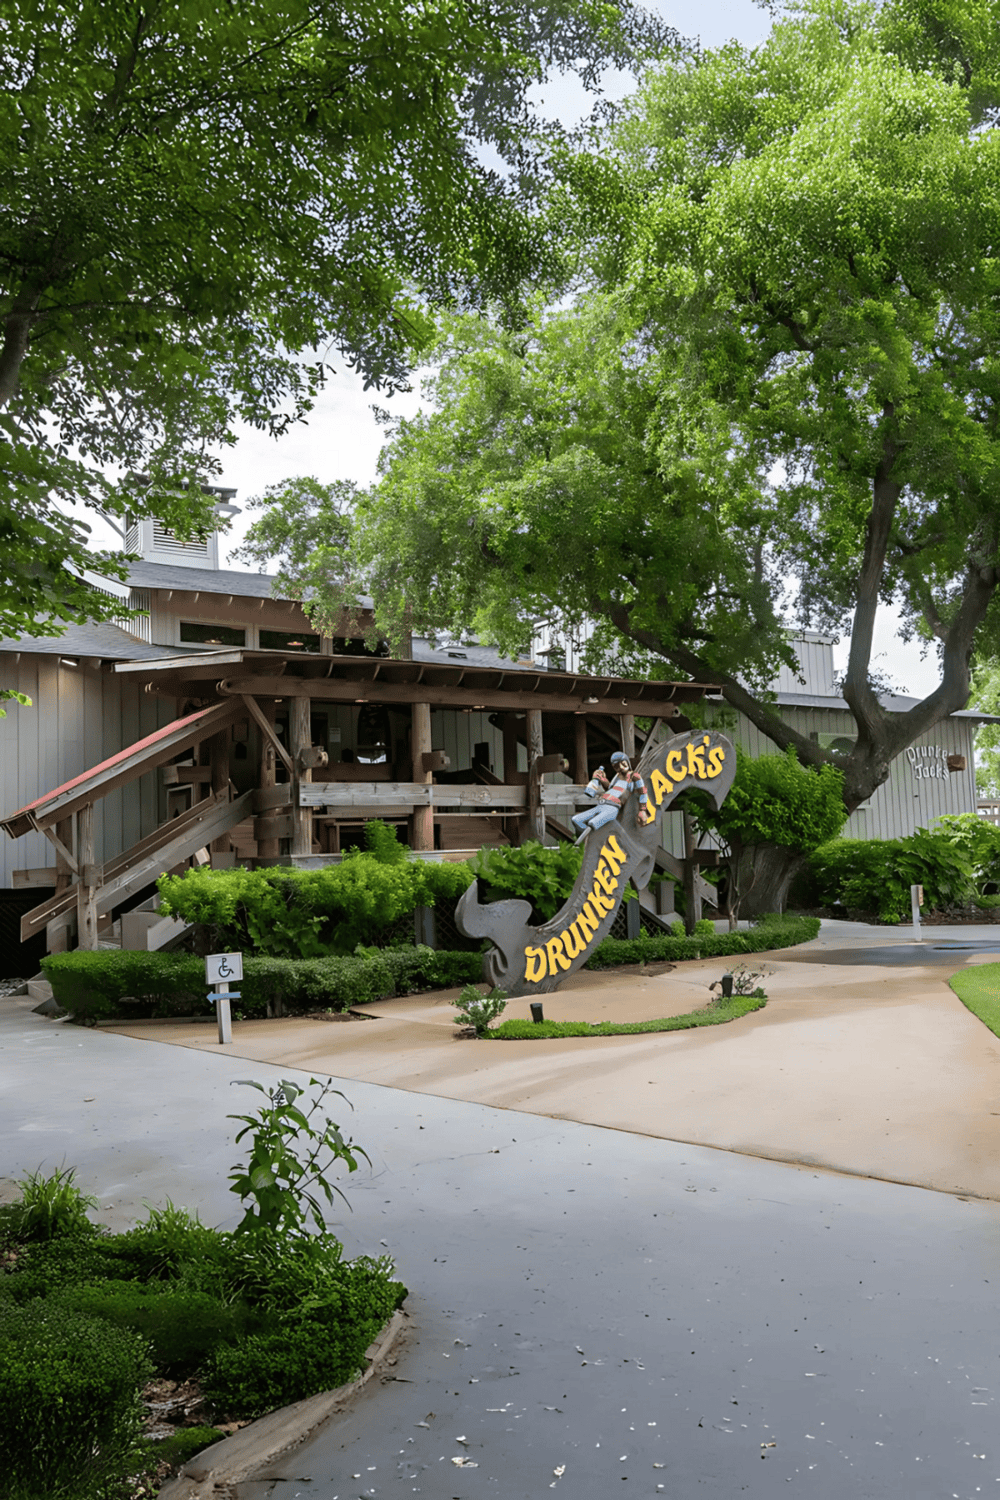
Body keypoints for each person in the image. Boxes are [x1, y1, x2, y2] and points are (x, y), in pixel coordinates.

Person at [572, 750, 650, 844]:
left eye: (623, 763)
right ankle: (588, 843)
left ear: (627, 762)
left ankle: (582, 844)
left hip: (613, 807)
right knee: (576, 820)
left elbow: (643, 792)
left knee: (593, 824)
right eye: (617, 766)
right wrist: (603, 780)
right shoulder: (617, 776)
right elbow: (610, 788)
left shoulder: (634, 776)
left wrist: (642, 810)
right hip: (601, 804)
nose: (621, 767)